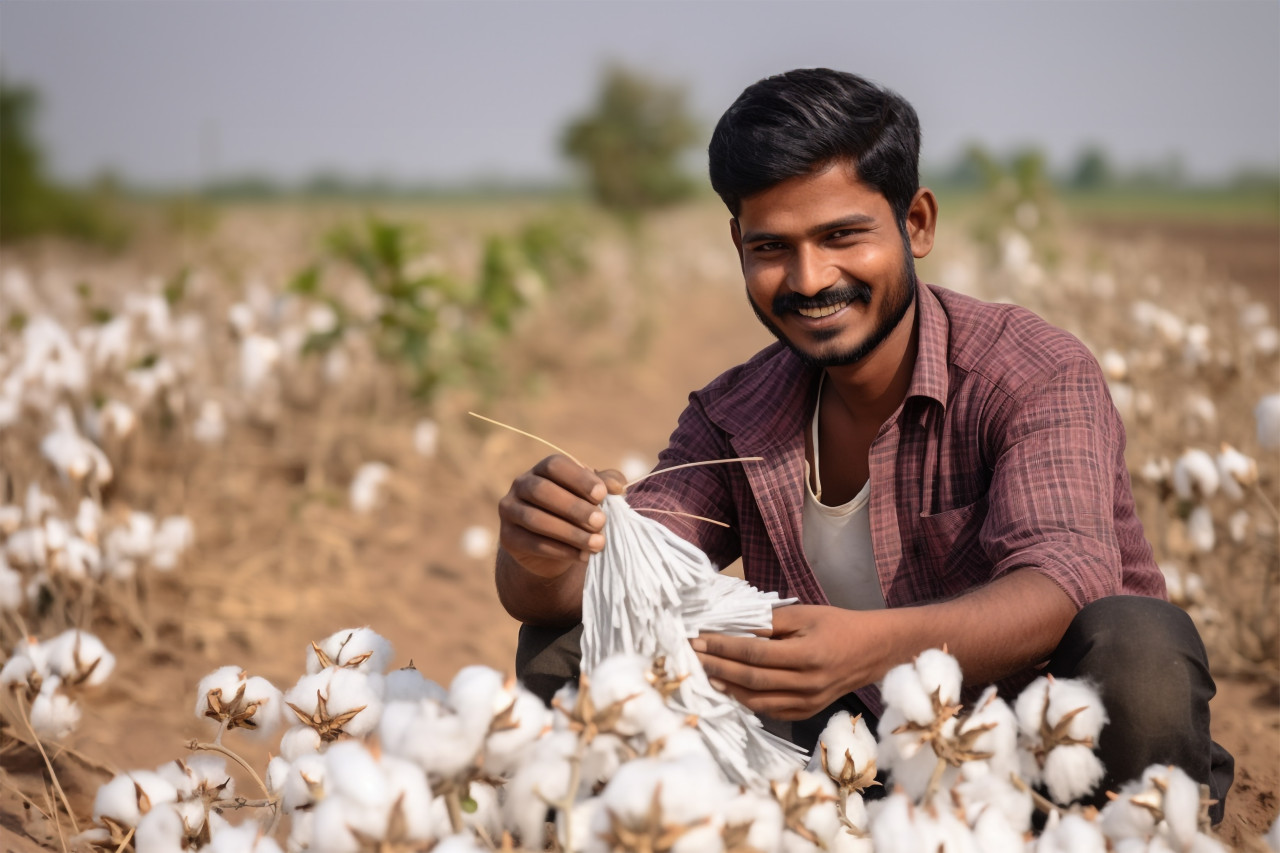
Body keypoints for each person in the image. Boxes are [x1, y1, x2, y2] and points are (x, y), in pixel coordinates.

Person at [494, 68, 1232, 819]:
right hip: (844, 767)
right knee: (576, 631)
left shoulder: (1030, 372)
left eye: (842, 235)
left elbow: (1060, 582)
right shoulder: (731, 417)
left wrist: (870, 647)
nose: (811, 279)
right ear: (737, 245)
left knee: (1139, 642)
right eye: (772, 246)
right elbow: (606, 583)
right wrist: (540, 552)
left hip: (1040, 758)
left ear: (916, 223)